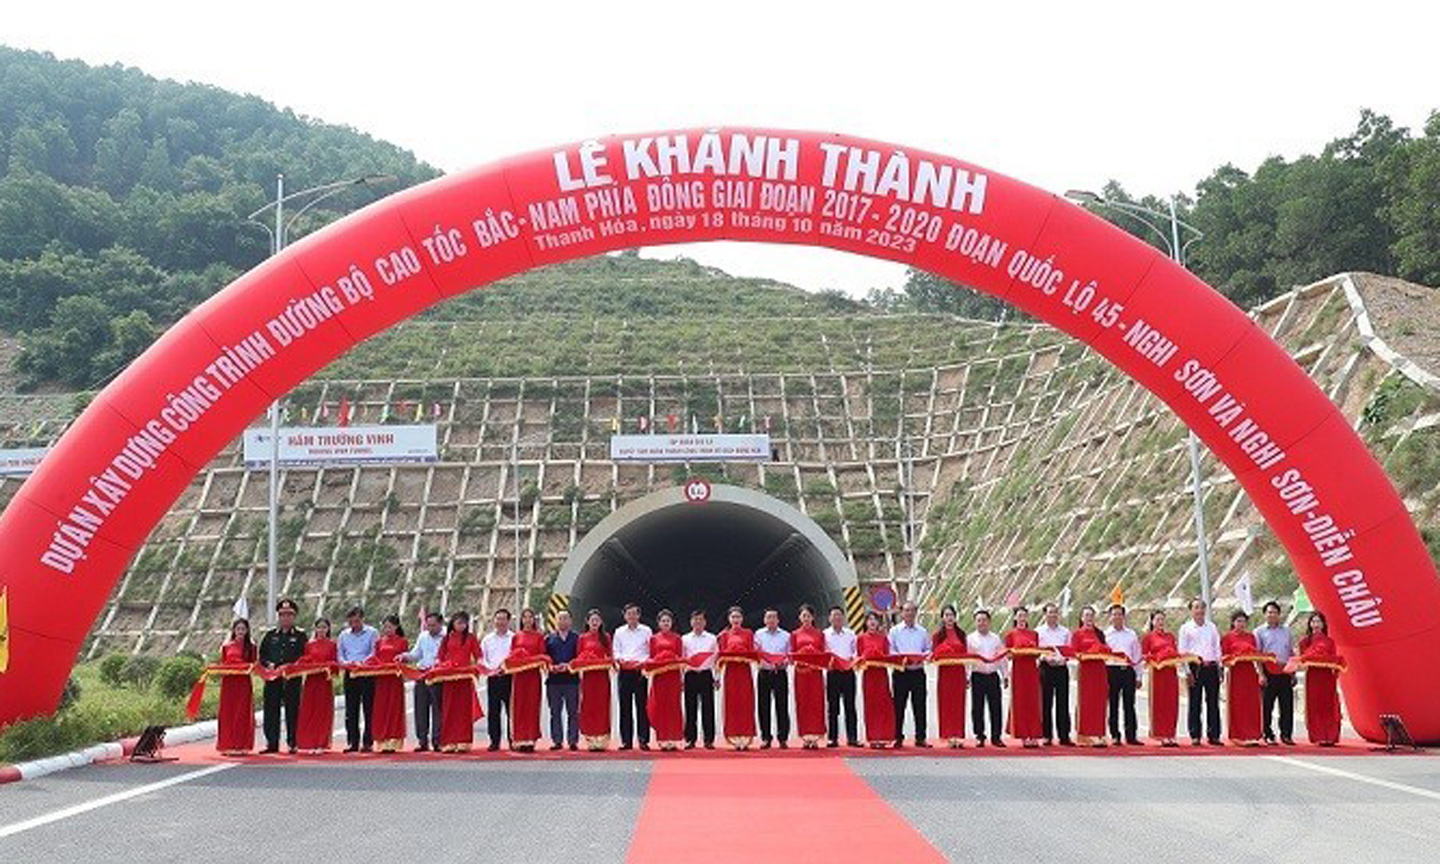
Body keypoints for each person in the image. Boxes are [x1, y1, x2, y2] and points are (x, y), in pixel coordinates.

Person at [258, 598, 308, 754]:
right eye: (282, 615)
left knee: (293, 710)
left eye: (289, 615)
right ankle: (272, 743)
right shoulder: (270, 635)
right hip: (273, 678)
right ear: (278, 617)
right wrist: (268, 664)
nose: (285, 618)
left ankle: (293, 742)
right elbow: (262, 656)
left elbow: (305, 656)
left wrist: (291, 667)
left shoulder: (300, 636)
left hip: (292, 679)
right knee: (271, 710)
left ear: (294, 617)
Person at [397, 612, 445, 752]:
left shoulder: (447, 636)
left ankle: (437, 740)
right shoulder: (423, 636)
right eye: (428, 625)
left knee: (438, 709)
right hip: (422, 674)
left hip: (438, 675)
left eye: (433, 625)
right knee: (420, 708)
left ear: (440, 624)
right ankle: (422, 740)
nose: (430, 628)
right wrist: (404, 656)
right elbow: (416, 654)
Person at [1178, 598, 1223, 746]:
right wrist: (1187, 672)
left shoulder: (1211, 627)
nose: (1199, 610)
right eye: (1196, 607)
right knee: (1195, 702)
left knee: (1213, 702)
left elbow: (1217, 648)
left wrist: (1219, 667)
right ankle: (1195, 734)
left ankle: (1214, 734)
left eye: (1202, 607)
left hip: (1211, 666)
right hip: (1194, 667)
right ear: (1191, 610)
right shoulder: (1186, 628)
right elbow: (1182, 651)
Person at [435, 611, 482, 752]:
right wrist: (440, 666)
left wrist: (477, 667)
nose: (461, 626)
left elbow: (478, 655)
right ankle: (448, 742)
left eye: (464, 623)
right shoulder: (446, 639)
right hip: (449, 679)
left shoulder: (470, 638)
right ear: (452, 624)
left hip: (464, 679)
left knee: (463, 711)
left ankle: (463, 741)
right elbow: (440, 657)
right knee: (449, 710)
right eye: (459, 623)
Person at [888, 600, 932, 748]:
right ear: (902, 613)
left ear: (916, 613)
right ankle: (897, 737)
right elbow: (891, 650)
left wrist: (921, 657)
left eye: (912, 610)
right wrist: (902, 659)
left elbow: (928, 649)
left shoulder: (922, 631)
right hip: (901, 672)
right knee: (898, 706)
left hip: (918, 672)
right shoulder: (895, 631)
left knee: (920, 706)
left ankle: (921, 737)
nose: (909, 613)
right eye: (906, 610)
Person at [1296, 611, 1343, 746]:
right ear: (1310, 624)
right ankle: (1317, 735)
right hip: (1313, 677)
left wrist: (1335, 673)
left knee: (1328, 706)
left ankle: (1330, 735)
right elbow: (1302, 661)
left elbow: (1335, 659)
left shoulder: (1330, 641)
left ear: (1323, 624)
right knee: (1315, 705)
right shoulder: (1305, 641)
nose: (1316, 624)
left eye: (1318, 622)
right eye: (1313, 622)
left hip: (1327, 677)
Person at [337, 606, 379, 752]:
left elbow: (374, 652)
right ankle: (352, 741)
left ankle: (368, 741)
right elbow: (340, 654)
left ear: (362, 619)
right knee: (351, 709)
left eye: (357, 620)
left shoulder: (372, 633)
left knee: (369, 708)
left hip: (366, 672)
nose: (354, 624)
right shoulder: (343, 635)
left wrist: (363, 663)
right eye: (351, 621)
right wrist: (347, 663)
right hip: (350, 673)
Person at [1222, 609, 1265, 747]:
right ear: (1233, 623)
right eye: (1238, 621)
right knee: (1238, 704)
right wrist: (1232, 661)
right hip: (1236, 674)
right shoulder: (1228, 638)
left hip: (1250, 673)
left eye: (1243, 621)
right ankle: (1238, 735)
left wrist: (1261, 673)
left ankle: (1252, 734)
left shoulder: (1251, 637)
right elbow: (1223, 657)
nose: (1241, 624)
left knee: (1251, 704)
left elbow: (1256, 656)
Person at [613, 603, 654, 750]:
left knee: (642, 706)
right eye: (628, 613)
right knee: (625, 707)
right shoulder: (619, 632)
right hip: (624, 671)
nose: (631, 616)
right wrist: (620, 659)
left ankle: (643, 739)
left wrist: (642, 663)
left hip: (640, 671)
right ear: (624, 616)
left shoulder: (646, 631)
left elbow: (651, 651)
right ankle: (626, 741)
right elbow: (616, 650)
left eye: (634, 613)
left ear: (639, 615)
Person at [717, 606, 758, 749]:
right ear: (729, 619)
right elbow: (720, 656)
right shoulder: (724, 635)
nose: (736, 620)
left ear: (742, 619)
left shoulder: (748, 633)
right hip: (731, 672)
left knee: (746, 702)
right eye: (733, 617)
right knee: (732, 703)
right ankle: (734, 737)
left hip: (744, 671)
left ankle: (746, 737)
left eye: (738, 617)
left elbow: (752, 652)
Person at [1255, 600, 1296, 746]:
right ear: (1265, 614)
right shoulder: (1259, 632)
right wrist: (1261, 674)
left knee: (1287, 705)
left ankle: (1286, 734)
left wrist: (1293, 672)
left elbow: (1291, 652)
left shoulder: (1287, 631)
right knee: (1267, 705)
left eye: (1275, 612)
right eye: (1269, 612)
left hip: (1284, 670)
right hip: (1268, 671)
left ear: (1279, 614)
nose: (1272, 615)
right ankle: (1267, 733)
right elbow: (1257, 655)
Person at [507, 609, 548, 752]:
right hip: (519, 676)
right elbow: (511, 655)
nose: (528, 620)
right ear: (521, 620)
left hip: (533, 676)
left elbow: (543, 655)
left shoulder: (539, 637)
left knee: (532, 705)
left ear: (534, 619)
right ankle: (518, 739)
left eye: (530, 617)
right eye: (525, 617)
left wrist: (533, 660)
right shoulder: (516, 637)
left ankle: (530, 739)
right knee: (519, 706)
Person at [295, 617, 338, 753]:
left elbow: (335, 664)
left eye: (324, 627)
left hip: (324, 682)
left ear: (328, 629)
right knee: (309, 711)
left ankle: (321, 743)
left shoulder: (332, 645)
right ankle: (309, 743)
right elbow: (304, 662)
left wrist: (328, 668)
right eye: (319, 627)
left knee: (322, 713)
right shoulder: (309, 645)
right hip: (311, 682)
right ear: (315, 629)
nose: (321, 630)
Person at [1070, 605, 1110, 748]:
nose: (1089, 618)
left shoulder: (1099, 633)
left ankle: (1099, 732)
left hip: (1100, 670)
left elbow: (1106, 649)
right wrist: (1085, 655)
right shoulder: (1077, 634)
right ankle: (1084, 734)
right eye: (1086, 615)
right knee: (1086, 701)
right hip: (1086, 670)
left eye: (1091, 615)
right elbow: (1074, 652)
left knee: (1099, 701)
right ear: (1081, 618)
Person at [1104, 604, 1143, 746]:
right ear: (1110, 617)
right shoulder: (1105, 635)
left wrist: (1139, 676)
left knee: (1129, 705)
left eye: (1119, 614)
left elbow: (1137, 656)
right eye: (1114, 614)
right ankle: (1115, 735)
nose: (1117, 617)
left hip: (1128, 671)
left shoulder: (1131, 634)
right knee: (1113, 704)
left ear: (1124, 617)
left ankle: (1131, 735)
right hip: (1111, 670)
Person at [1141, 610, 1182, 747]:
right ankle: (1161, 733)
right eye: (1157, 620)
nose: (1160, 622)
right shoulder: (1148, 637)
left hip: (1171, 671)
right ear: (1152, 621)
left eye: (1162, 619)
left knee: (1172, 702)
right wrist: (1155, 659)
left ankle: (1171, 733)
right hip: (1157, 673)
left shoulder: (1170, 636)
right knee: (1160, 702)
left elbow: (1176, 652)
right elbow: (1144, 655)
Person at [216, 618, 257, 755]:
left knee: (242, 713)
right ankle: (227, 745)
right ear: (234, 630)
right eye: (238, 629)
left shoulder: (251, 647)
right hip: (229, 684)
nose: (240, 632)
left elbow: (254, 665)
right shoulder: (226, 646)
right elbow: (223, 664)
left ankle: (241, 745)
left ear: (247, 631)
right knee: (228, 713)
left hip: (243, 683)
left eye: (243, 629)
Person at [1004, 606, 1043, 748]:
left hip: (1032, 670)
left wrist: (1033, 651)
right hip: (1018, 670)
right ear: (1015, 618)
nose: (1022, 618)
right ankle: (1023, 734)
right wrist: (1016, 652)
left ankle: (1033, 734)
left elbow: (1038, 652)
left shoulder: (1034, 634)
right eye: (1019, 616)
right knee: (1020, 700)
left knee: (1033, 701)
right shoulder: (1010, 634)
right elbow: (1007, 655)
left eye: (1024, 616)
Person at [967, 609, 1007, 747]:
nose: (981, 623)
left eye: (984, 620)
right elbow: (968, 660)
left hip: (993, 676)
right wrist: (966, 677)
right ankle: (979, 735)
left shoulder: (995, 638)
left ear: (989, 622)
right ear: (975, 622)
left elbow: (1002, 658)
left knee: (996, 707)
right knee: (977, 707)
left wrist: (1005, 675)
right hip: (978, 675)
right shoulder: (970, 639)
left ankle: (996, 736)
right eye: (979, 620)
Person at [790, 604, 828, 749]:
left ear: (813, 618)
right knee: (803, 702)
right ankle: (805, 737)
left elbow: (823, 653)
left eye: (808, 616)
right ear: (799, 618)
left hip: (815, 673)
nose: (806, 618)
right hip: (801, 674)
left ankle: (816, 736)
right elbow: (792, 655)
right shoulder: (794, 634)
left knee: (816, 703)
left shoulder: (820, 634)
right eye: (803, 616)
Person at [647, 609, 685, 750]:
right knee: (660, 705)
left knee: (673, 705)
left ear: (672, 622)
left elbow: (681, 658)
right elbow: (651, 658)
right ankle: (662, 738)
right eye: (663, 621)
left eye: (668, 621)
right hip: (659, 676)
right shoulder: (653, 639)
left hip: (673, 675)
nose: (665, 623)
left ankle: (673, 738)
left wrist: (681, 678)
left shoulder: (677, 638)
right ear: (659, 623)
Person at [856, 611, 896, 748]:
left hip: (881, 675)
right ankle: (873, 737)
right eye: (869, 619)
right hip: (868, 675)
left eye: (875, 619)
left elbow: (887, 656)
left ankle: (884, 736)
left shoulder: (883, 639)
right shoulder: (861, 639)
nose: (872, 622)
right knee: (871, 705)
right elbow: (858, 657)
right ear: (865, 622)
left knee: (883, 704)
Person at [576, 609, 614, 750]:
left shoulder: (606, 638)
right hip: (588, 678)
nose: (594, 622)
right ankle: (590, 738)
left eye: (597, 620)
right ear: (587, 621)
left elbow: (610, 656)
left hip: (602, 677)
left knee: (602, 705)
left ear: (601, 622)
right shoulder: (582, 638)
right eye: (592, 620)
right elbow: (579, 657)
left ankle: (602, 738)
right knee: (589, 705)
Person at [931, 605, 968, 748]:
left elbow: (966, 654)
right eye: (946, 615)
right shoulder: (938, 636)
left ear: (955, 616)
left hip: (958, 672)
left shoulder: (961, 634)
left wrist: (967, 675)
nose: (949, 617)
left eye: (951, 614)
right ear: (942, 617)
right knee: (946, 703)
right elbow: (934, 655)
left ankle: (958, 735)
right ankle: (948, 735)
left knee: (959, 704)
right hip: (945, 673)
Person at [755, 607, 792, 749]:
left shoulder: (786, 635)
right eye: (768, 617)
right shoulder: (758, 634)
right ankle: (766, 737)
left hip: (780, 673)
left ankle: (782, 737)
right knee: (763, 706)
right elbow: (755, 652)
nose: (771, 620)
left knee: (781, 705)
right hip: (764, 672)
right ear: (764, 620)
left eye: (773, 617)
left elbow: (789, 654)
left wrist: (784, 663)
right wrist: (763, 662)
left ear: (778, 620)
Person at [371, 615, 409, 752]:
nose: (387, 629)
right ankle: (382, 740)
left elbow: (405, 659)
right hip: (381, 679)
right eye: (385, 626)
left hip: (395, 679)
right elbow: (375, 658)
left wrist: (401, 660)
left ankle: (394, 740)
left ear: (396, 627)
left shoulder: (402, 641)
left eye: (390, 627)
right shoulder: (379, 642)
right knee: (382, 708)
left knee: (394, 708)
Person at [1036, 603, 1073, 746]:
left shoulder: (1065, 632)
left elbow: (1069, 650)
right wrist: (1045, 658)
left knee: (1062, 702)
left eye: (1055, 612)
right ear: (1044, 614)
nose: (1053, 615)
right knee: (1046, 702)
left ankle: (1064, 735)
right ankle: (1046, 735)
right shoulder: (1038, 632)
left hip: (1061, 668)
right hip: (1046, 668)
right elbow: (1036, 651)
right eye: (1050, 612)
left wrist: (1062, 659)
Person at [681, 609, 718, 749]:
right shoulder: (684, 639)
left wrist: (717, 677)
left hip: (706, 674)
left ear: (705, 622)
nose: (698, 622)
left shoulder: (712, 638)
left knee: (708, 707)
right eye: (695, 619)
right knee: (690, 708)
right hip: (690, 675)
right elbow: (681, 658)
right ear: (691, 622)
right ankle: (690, 739)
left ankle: (709, 739)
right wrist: (681, 678)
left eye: (701, 619)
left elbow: (716, 658)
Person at [823, 606, 860, 748]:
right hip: (833, 673)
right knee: (833, 707)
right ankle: (832, 738)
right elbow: (823, 653)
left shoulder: (851, 634)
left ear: (843, 617)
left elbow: (856, 652)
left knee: (850, 706)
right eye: (834, 615)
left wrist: (852, 660)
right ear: (829, 618)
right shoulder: (825, 634)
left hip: (848, 673)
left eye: (839, 615)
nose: (837, 618)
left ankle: (852, 737)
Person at [545, 609, 581, 751]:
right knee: (555, 712)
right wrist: (551, 667)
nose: (563, 621)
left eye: (566, 618)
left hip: (571, 680)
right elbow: (544, 658)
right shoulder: (549, 639)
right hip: (553, 681)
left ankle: (573, 740)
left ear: (571, 621)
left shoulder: (577, 638)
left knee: (573, 712)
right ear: (556, 621)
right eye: (560, 618)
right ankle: (557, 740)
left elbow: (581, 657)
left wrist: (569, 665)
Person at [481, 609, 515, 751]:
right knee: (493, 711)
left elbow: (516, 656)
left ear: (508, 621)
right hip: (493, 677)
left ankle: (512, 739)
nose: (500, 622)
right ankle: (494, 741)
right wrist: (491, 669)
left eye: (503, 619)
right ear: (494, 621)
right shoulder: (487, 639)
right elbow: (482, 658)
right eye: (498, 619)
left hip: (509, 677)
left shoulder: (514, 638)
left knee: (511, 711)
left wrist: (506, 668)